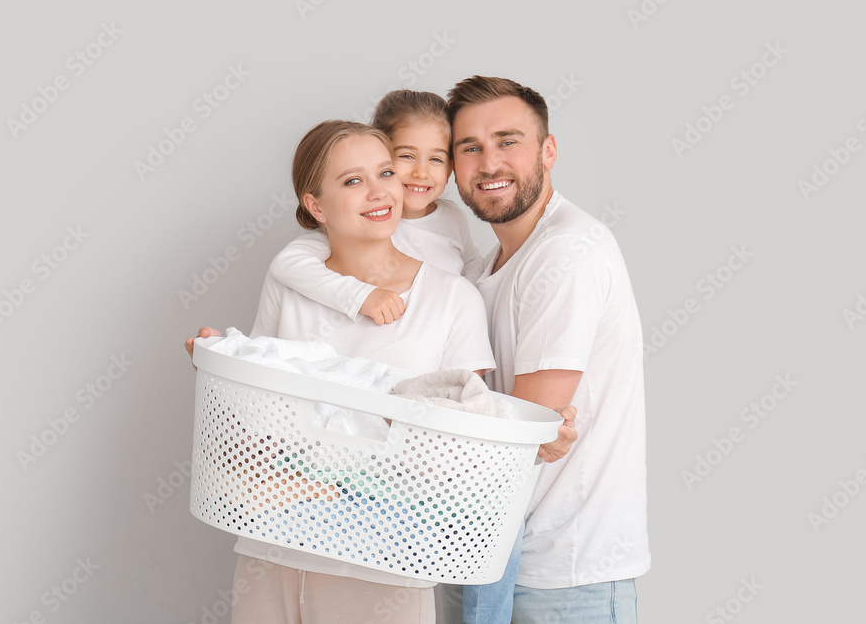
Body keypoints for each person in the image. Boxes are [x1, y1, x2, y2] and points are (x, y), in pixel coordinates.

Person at [183, 119, 576, 623]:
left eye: (386, 173)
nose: (378, 192)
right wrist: (221, 366)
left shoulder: (451, 299)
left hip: (382, 573)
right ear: (315, 205)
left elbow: (462, 447)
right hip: (270, 555)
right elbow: (258, 417)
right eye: (352, 181)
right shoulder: (290, 282)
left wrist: (537, 447)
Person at [440, 76, 649, 623]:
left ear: (548, 150)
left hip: (563, 572)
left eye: (508, 141)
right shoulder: (478, 271)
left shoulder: (566, 252)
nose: (489, 163)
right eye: (470, 147)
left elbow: (528, 432)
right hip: (483, 556)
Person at [266, 90, 484, 328]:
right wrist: (361, 296)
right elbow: (288, 264)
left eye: (436, 159)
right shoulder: (367, 224)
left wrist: (466, 295)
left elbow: (472, 261)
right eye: (407, 156)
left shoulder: (452, 217)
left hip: (442, 331)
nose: (421, 172)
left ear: (451, 167)